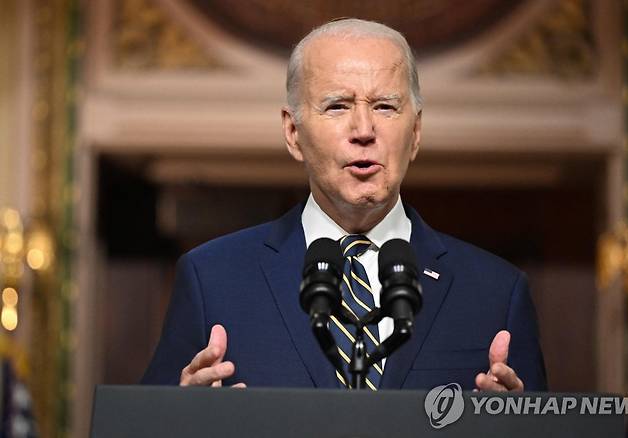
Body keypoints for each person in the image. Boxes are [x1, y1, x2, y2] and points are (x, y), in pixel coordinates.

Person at [142, 18, 547, 391]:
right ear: (292, 132)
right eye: (337, 106)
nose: (364, 130)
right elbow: (141, 426)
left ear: (417, 132)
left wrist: (516, 425)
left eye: (385, 106)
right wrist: (180, 415)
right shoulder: (212, 279)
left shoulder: (496, 292)